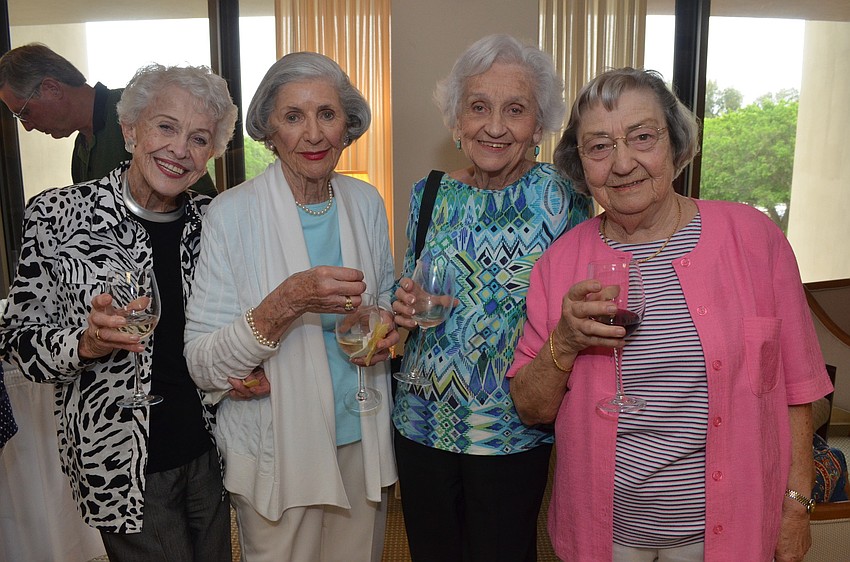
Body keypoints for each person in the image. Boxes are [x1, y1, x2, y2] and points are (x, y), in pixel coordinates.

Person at [507, 67, 833, 562]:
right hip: (607, 535)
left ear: (676, 144)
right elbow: (531, 408)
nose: (622, 164)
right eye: (599, 147)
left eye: (642, 137)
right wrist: (565, 342)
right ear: (581, 165)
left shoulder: (754, 239)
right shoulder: (560, 263)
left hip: (730, 529)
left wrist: (796, 506)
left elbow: (799, 387)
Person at [0, 63, 240, 560]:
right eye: (166, 127)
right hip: (118, 460)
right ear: (130, 129)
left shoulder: (213, 222)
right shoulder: (57, 215)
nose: (180, 150)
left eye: (199, 138)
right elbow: (19, 341)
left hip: (208, 451)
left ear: (211, 154)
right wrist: (84, 344)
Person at [183, 51, 399, 562]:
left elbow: (383, 298)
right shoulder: (230, 214)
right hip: (279, 448)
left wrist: (390, 327)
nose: (314, 134)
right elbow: (202, 360)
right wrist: (289, 300)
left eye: (327, 114)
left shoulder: (365, 201)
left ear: (347, 126)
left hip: (360, 436)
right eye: (293, 117)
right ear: (268, 129)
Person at [390, 34, 592, 562]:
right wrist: (403, 304)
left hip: (512, 428)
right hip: (420, 423)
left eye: (516, 109)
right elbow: (409, 285)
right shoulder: (427, 193)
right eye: (478, 107)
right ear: (457, 119)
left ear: (539, 125)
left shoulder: (563, 198)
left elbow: (575, 307)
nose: (495, 126)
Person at [0, 43, 218, 196]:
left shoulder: (141, 113)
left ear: (51, 88)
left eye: (24, 112)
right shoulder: (80, 149)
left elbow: (205, 204)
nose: (26, 127)